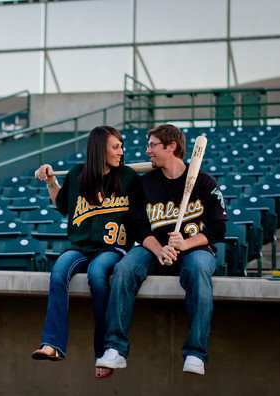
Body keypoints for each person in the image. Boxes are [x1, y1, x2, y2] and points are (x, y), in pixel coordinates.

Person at [97, 124, 227, 376]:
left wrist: (186, 243)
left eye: (152, 145)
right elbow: (137, 226)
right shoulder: (144, 184)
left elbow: (218, 229)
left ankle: (195, 353)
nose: (147, 151)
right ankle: (115, 348)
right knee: (124, 268)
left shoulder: (204, 181)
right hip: (154, 248)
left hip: (195, 249)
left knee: (199, 269)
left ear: (171, 147)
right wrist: (159, 250)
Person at [31, 125, 141, 380]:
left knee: (97, 274)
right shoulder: (77, 174)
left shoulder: (128, 176)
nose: (121, 152)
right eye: (115, 147)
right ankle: (53, 345)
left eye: (121, 146)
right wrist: (51, 180)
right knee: (58, 271)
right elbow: (61, 205)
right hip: (80, 246)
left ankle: (104, 352)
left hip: (113, 249)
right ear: (98, 148)